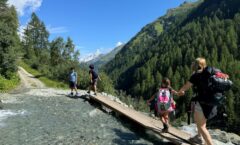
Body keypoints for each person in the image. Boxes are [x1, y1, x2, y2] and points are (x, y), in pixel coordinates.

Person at [178, 57, 226, 145]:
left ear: (197, 65)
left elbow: (187, 86)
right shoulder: (213, 71)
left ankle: (208, 143)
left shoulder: (196, 75)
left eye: (194, 63)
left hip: (202, 102)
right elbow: (225, 78)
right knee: (199, 120)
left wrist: (180, 91)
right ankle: (199, 137)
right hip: (214, 102)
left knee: (201, 126)